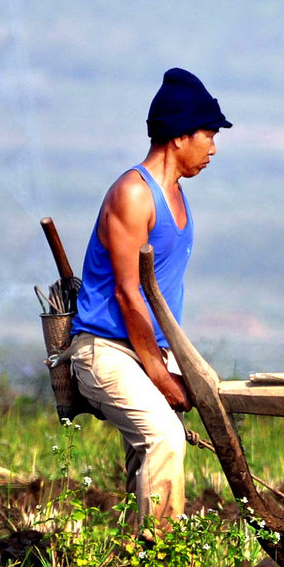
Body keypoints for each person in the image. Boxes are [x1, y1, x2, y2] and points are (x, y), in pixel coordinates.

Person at [67, 67, 231, 531]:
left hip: (149, 351)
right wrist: (160, 375)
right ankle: (164, 564)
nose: (214, 147)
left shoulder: (176, 195)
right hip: (107, 351)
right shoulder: (134, 195)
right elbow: (127, 293)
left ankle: (136, 560)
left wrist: (175, 364)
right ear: (179, 136)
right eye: (209, 134)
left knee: (162, 445)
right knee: (164, 438)